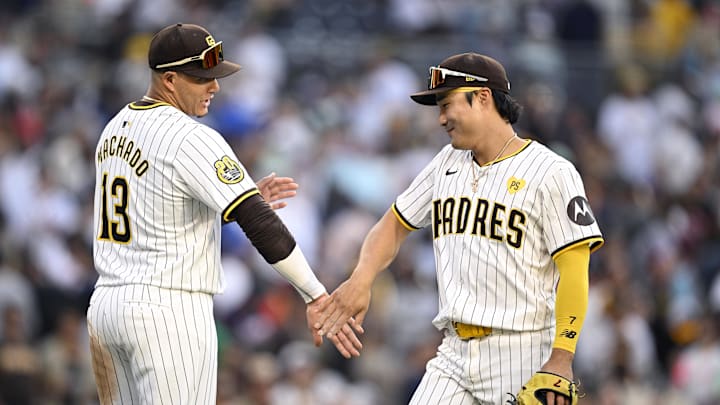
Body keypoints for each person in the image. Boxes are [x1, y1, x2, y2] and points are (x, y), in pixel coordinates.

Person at [86, 23, 361, 405]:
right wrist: (315, 294)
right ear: (169, 79)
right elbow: (261, 224)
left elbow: (156, 211)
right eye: (202, 78)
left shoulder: (114, 128)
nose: (214, 86)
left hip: (107, 308)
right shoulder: (190, 135)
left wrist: (231, 200)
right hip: (169, 311)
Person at [315, 52, 604, 404]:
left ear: (482, 97)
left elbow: (575, 269)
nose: (440, 119)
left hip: (523, 350)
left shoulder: (551, 171)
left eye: (447, 104)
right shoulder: (446, 163)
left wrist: (562, 356)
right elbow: (393, 223)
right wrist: (361, 278)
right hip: (453, 352)